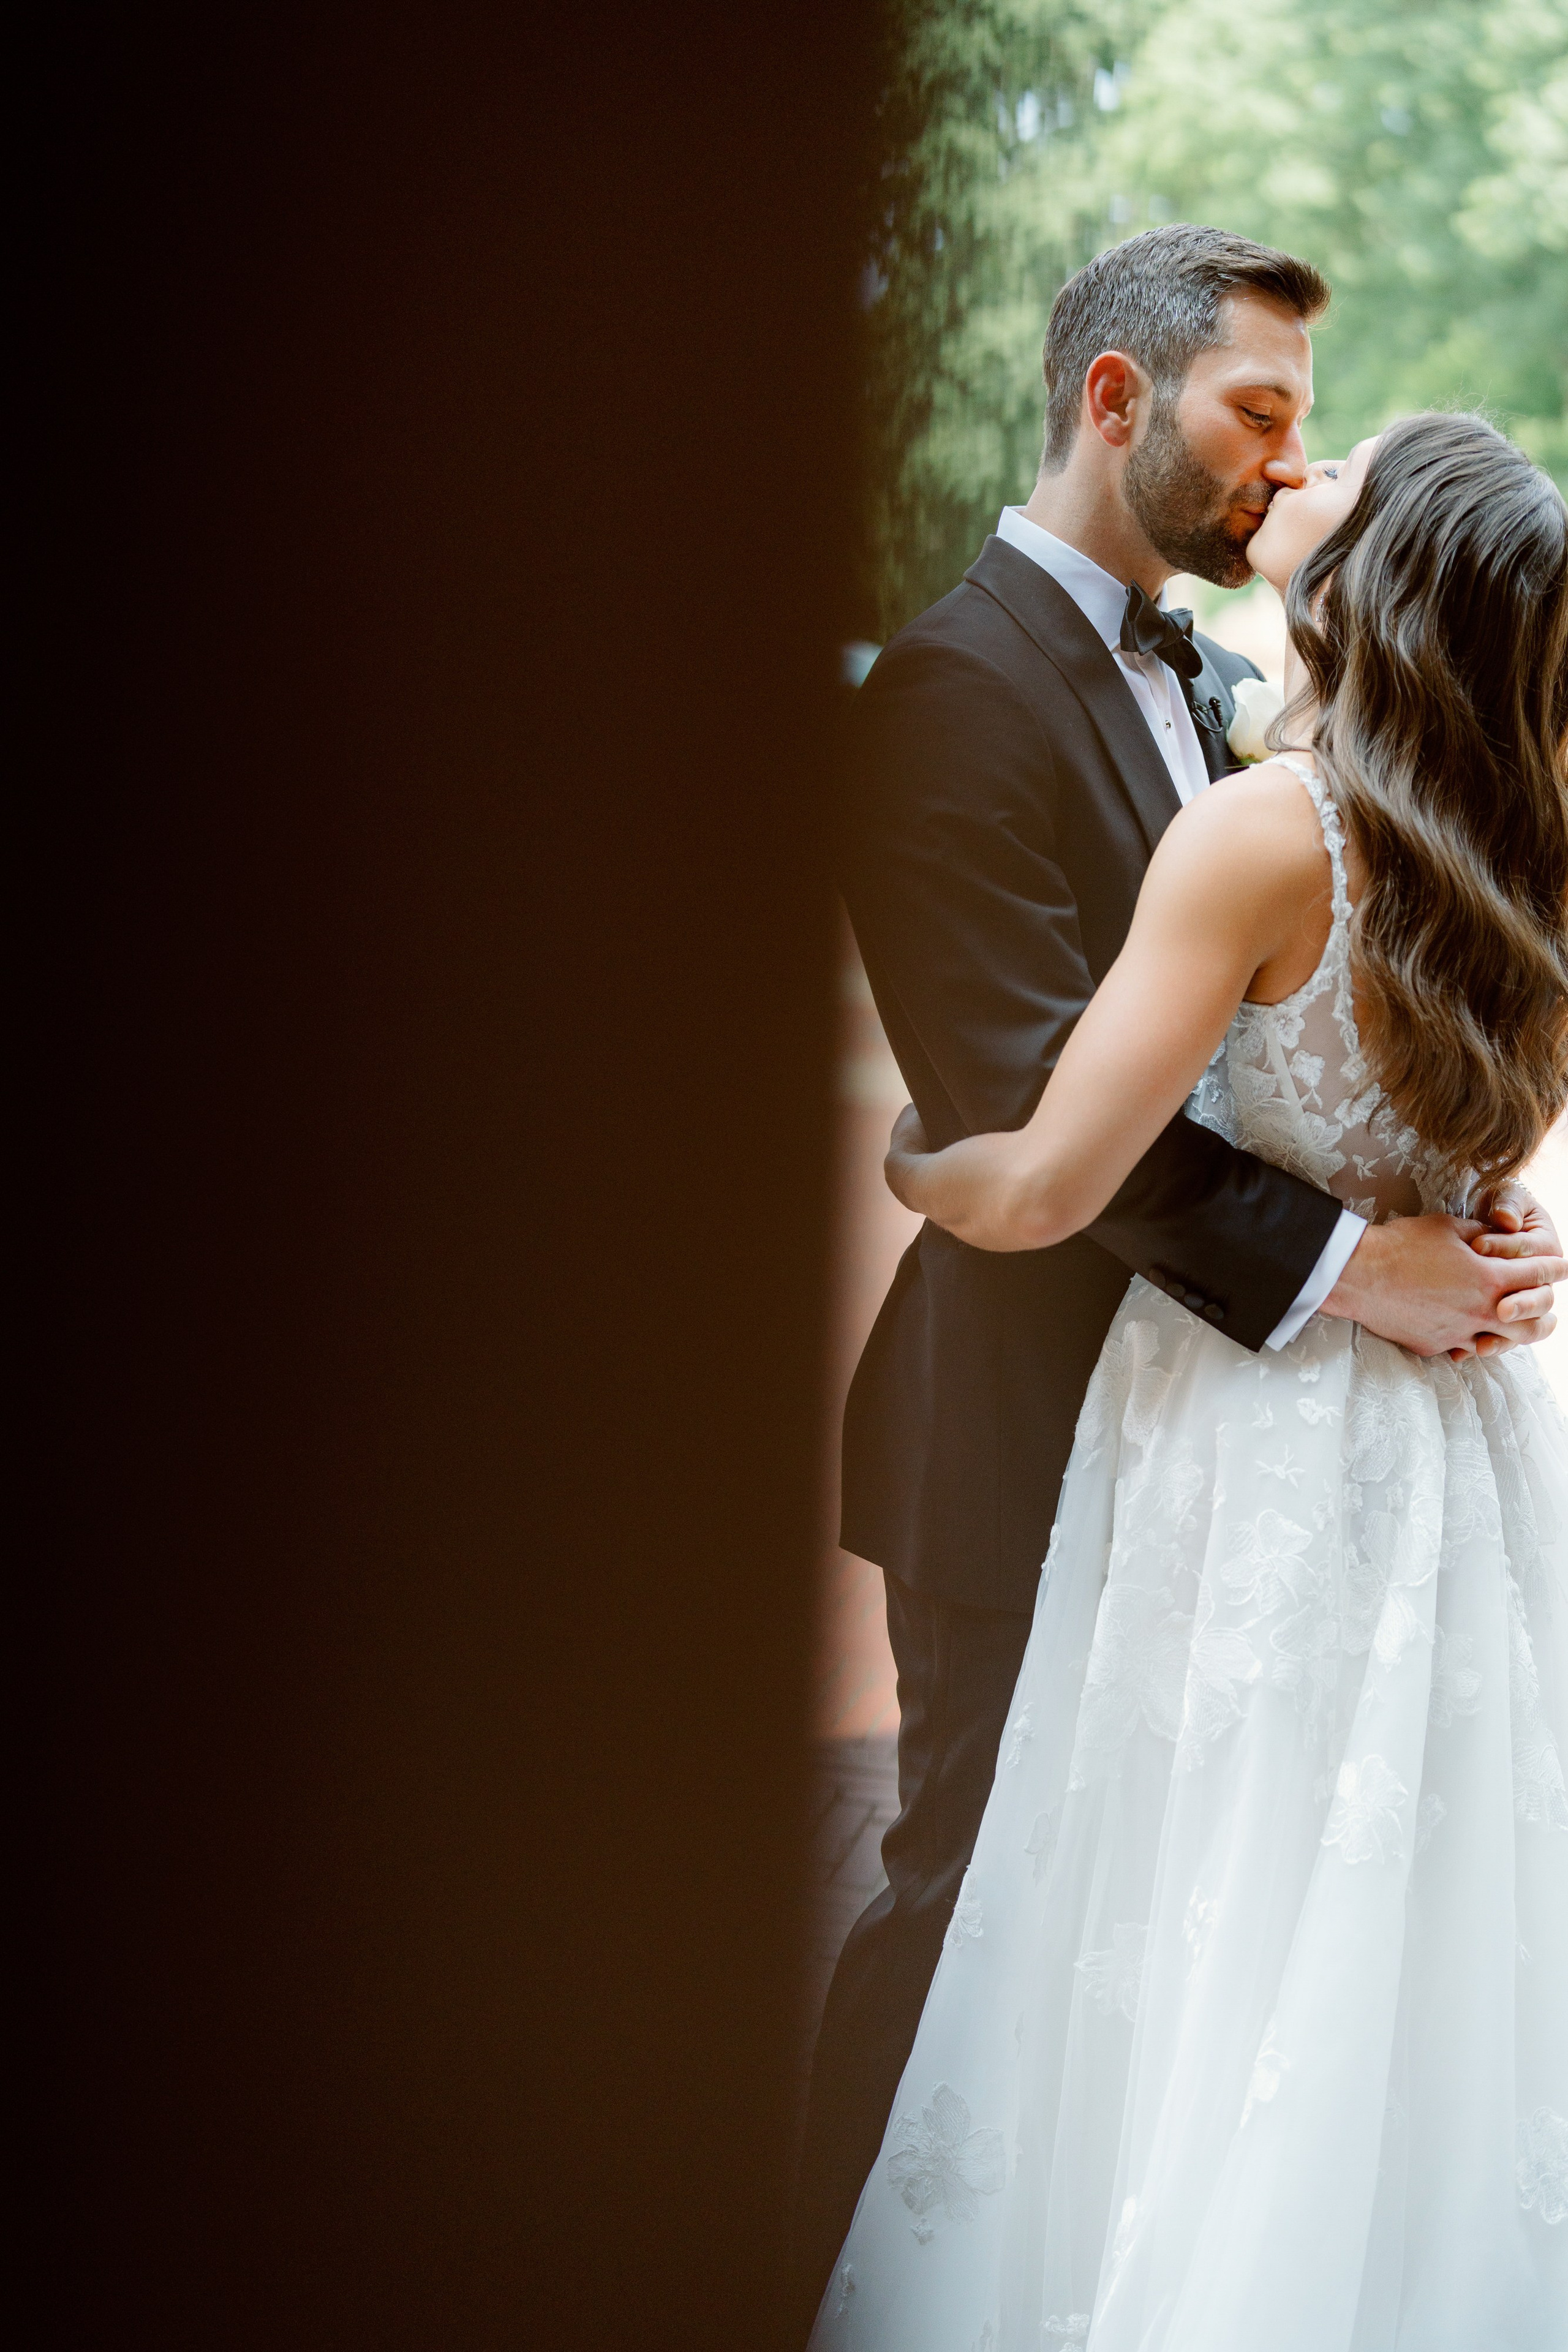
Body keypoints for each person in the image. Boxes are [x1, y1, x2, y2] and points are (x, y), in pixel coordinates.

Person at [791, 224, 1565, 2329]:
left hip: (1247, 1440)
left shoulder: (1248, 709)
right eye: (1262, 418)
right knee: (995, 1908)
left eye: (1319, 445)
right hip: (1040, 1418)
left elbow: (1056, 1148)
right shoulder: (955, 688)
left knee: (1228, 1925)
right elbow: (1036, 1074)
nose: (1281, 470)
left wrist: (1409, 1232)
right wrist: (1361, 1259)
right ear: (1118, 398)